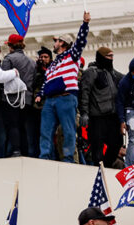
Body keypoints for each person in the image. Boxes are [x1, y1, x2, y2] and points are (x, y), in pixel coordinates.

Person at [35, 12, 90, 162]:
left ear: (63, 44)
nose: (54, 43)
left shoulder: (72, 55)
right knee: (45, 131)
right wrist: (40, 94)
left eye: (57, 41)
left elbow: (80, 41)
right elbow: (47, 80)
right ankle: (44, 157)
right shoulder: (53, 64)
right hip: (50, 100)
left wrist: (85, 24)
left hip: (66, 97)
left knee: (68, 130)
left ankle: (68, 159)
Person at [79, 46, 123, 167]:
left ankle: (106, 165)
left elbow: (126, 81)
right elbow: (85, 92)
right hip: (97, 116)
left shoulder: (114, 74)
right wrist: (84, 113)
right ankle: (99, 168)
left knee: (117, 142)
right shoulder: (91, 72)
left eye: (112, 56)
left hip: (112, 116)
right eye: (109, 56)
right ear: (102, 57)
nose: (111, 59)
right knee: (97, 146)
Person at [0, 34, 36, 157]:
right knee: (22, 126)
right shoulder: (32, 62)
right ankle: (25, 152)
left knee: (13, 125)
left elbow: (3, 78)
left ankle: (16, 150)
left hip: (12, 99)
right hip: (27, 99)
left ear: (10, 46)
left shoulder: (8, 59)